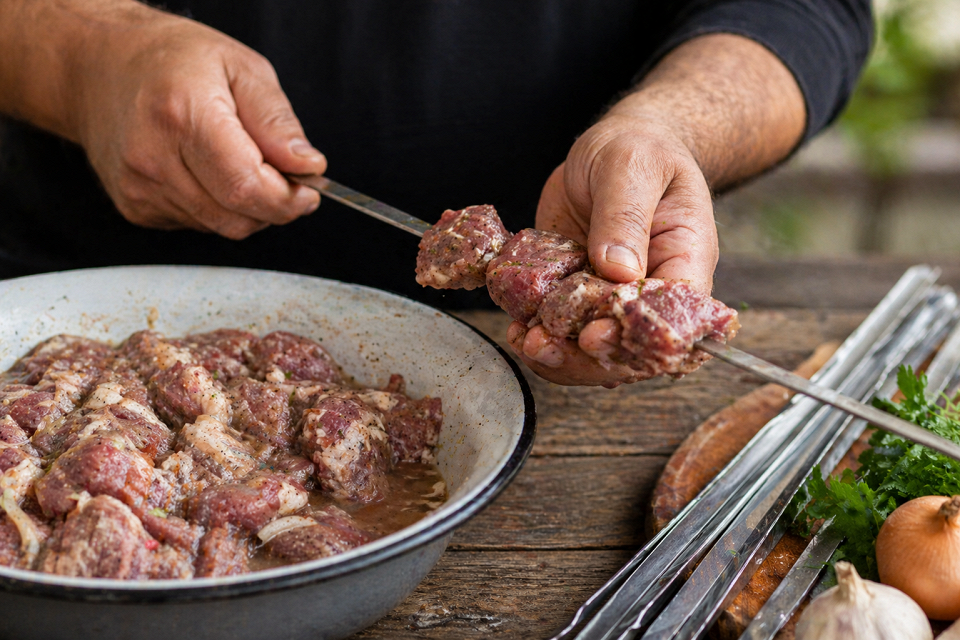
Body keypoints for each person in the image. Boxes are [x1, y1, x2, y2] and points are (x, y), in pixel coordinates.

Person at [0, 0, 872, 387]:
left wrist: (672, 127)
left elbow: (805, 5)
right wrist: (78, 54)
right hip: (67, 313)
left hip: (520, 384)